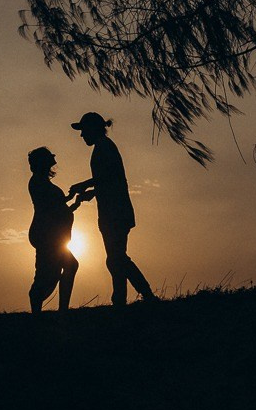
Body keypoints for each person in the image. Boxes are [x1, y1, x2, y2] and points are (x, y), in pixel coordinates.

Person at [68, 112, 157, 307]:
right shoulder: (104, 147)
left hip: (114, 212)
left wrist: (84, 185)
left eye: (84, 131)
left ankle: (146, 295)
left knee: (116, 258)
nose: (82, 135)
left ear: (93, 129)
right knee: (116, 258)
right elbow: (109, 182)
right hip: (114, 211)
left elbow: (108, 179)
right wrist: (90, 192)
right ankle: (122, 300)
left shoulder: (104, 148)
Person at [26, 147, 83, 313]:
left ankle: (59, 309)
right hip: (47, 235)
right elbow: (51, 209)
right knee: (49, 272)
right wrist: (70, 203)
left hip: (51, 235)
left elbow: (56, 208)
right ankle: (45, 308)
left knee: (58, 268)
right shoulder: (37, 182)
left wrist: (72, 202)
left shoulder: (41, 181)